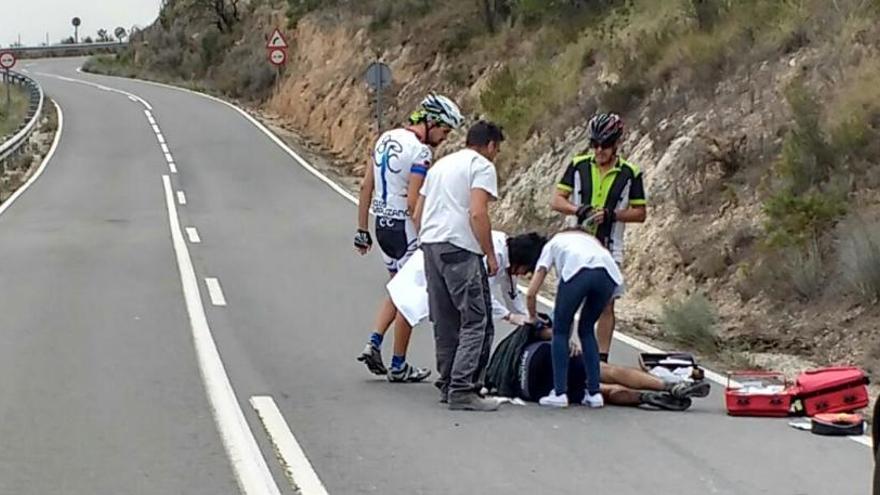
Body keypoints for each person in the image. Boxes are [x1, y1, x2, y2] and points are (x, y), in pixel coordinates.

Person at [354, 93, 464, 382]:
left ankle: (374, 343)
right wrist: (429, 237)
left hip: (382, 227)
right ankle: (399, 364)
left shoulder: (385, 138)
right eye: (444, 130)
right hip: (406, 230)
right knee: (410, 298)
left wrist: (361, 230)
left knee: (396, 290)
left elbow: (366, 186)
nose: (444, 138)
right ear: (431, 122)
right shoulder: (421, 152)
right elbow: (415, 202)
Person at [415, 120, 504, 411]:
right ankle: (464, 388)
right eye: (497, 149)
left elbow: (418, 211)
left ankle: (447, 382)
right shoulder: (481, 166)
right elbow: (478, 213)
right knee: (476, 320)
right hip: (460, 247)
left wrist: (425, 241)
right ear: (490, 145)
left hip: (431, 244)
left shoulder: (441, 165)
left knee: (444, 319)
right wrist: (489, 253)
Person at [385, 231, 547, 388]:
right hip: (449, 272)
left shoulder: (506, 254)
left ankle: (454, 379)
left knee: (455, 326)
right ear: (521, 259)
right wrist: (509, 316)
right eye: (526, 270)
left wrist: (528, 316)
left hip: (446, 264)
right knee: (472, 328)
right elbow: (485, 295)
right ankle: (459, 382)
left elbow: (511, 293)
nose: (524, 274)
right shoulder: (495, 254)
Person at [550, 113, 646, 363]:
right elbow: (557, 200)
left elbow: (640, 213)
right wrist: (578, 210)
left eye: (605, 145)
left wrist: (612, 215)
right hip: (576, 246)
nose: (599, 150)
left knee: (606, 304)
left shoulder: (631, 173)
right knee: (569, 302)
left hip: (609, 247)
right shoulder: (578, 164)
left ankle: (601, 359)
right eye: (595, 144)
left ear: (616, 144)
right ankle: (566, 353)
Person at [485, 323, 710, 410]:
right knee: (605, 371)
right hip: (542, 356)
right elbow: (537, 329)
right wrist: (561, 339)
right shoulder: (510, 344)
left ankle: (644, 399)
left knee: (602, 391)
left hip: (533, 388)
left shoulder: (493, 377)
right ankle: (669, 385)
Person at [526, 228, 624, 408]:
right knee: (586, 330)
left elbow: (531, 292)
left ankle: (559, 392)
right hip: (609, 274)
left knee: (560, 330)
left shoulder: (553, 242)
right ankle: (594, 393)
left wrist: (532, 317)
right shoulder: (592, 242)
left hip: (578, 271)